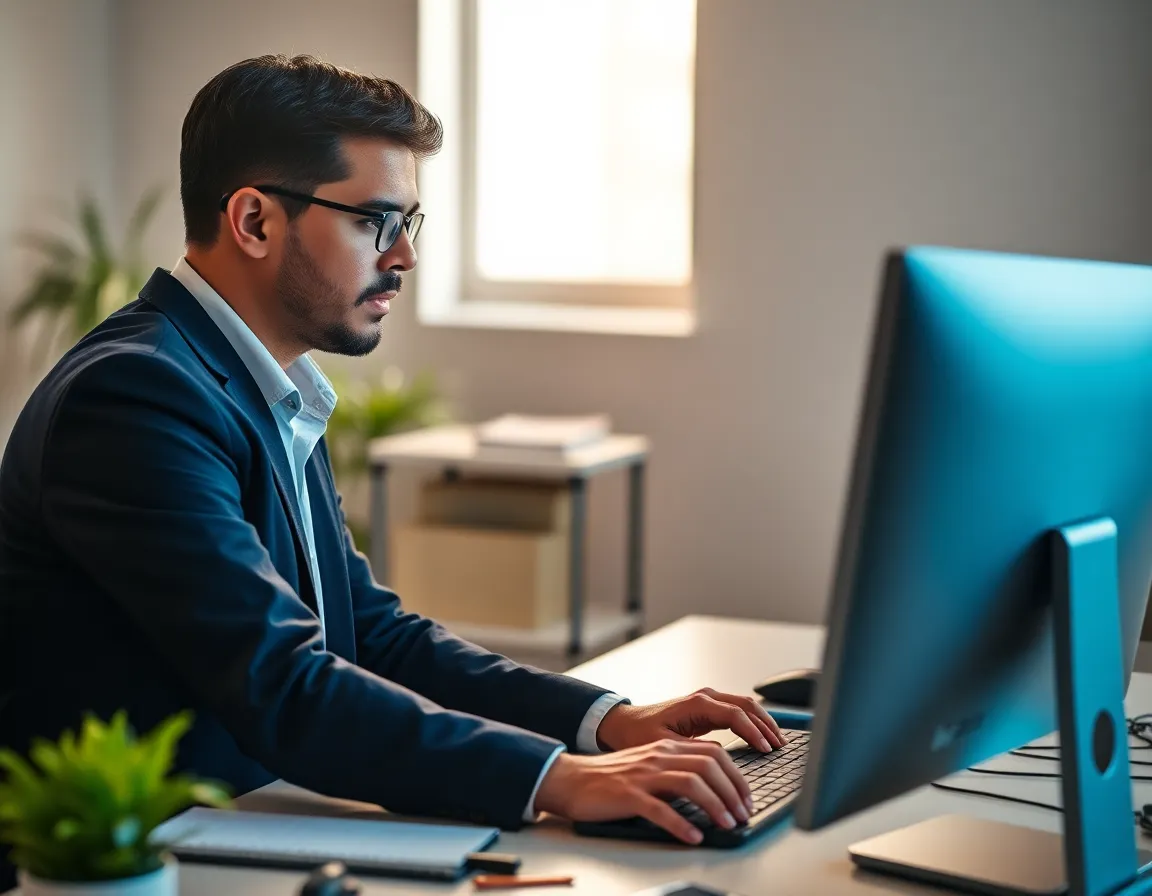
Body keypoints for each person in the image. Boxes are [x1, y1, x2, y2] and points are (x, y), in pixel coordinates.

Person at [0, 55, 783, 883]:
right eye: (376, 221)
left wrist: (604, 722)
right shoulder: (137, 395)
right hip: (123, 868)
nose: (404, 256)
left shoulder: (264, 380)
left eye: (411, 222)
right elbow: (282, 681)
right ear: (255, 221)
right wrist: (560, 782)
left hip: (241, 828)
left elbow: (367, 634)